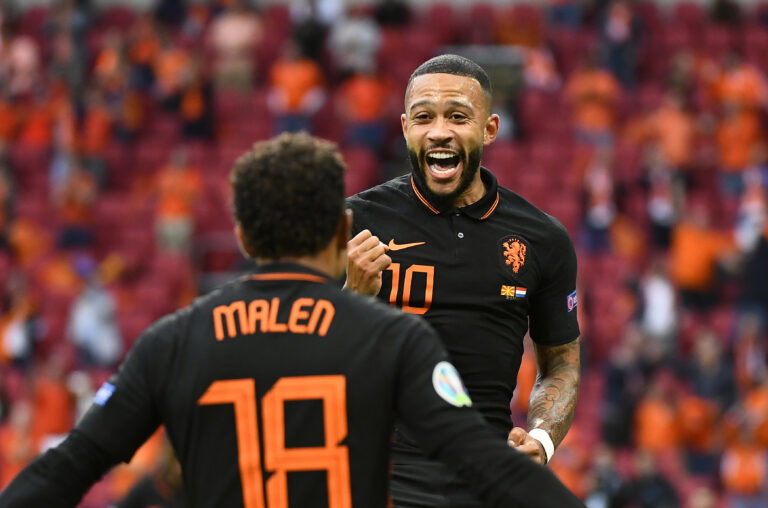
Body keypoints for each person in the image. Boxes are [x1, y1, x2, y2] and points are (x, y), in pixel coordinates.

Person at [0, 133, 582, 507]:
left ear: (243, 236)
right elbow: (483, 460)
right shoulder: (394, 338)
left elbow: (69, 467)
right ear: (339, 232)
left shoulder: (172, 342)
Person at [345, 54, 582, 506]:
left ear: (489, 129)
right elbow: (299, 361)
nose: (439, 132)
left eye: (457, 116)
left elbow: (561, 363)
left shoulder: (542, 238)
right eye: (423, 117)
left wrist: (544, 437)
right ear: (404, 128)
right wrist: (351, 298)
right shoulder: (352, 222)